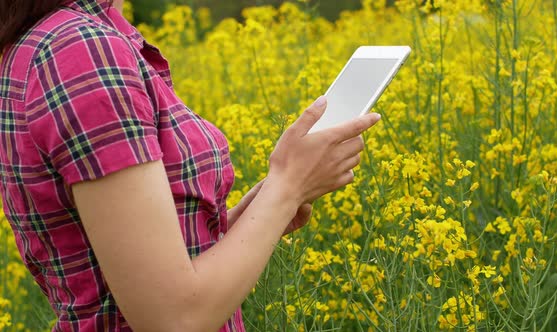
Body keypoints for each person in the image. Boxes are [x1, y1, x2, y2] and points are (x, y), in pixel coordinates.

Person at [0, 0, 380, 330]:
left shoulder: (48, 41)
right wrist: (287, 186)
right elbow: (174, 318)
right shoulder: (82, 52)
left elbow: (125, 264)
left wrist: (256, 216)